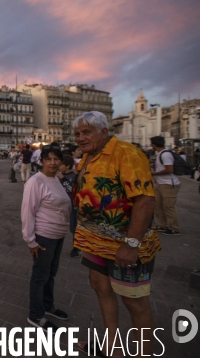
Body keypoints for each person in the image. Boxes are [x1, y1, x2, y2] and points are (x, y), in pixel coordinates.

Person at [72, 111, 159, 357]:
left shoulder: (127, 153)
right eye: (77, 133)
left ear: (104, 132)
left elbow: (144, 201)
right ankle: (113, 349)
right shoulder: (88, 157)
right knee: (100, 287)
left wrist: (131, 245)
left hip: (126, 245)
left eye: (86, 132)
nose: (80, 137)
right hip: (95, 242)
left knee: (134, 302)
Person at [21, 144, 71, 331]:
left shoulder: (57, 179)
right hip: (44, 236)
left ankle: (48, 306)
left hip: (58, 236)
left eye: (56, 159)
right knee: (40, 276)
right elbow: (28, 212)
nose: (52, 162)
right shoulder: (35, 182)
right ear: (41, 161)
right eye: (48, 159)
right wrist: (30, 240)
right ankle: (36, 315)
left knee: (51, 274)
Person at [150, 136, 180, 236]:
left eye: (152, 144)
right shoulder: (159, 154)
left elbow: (169, 169)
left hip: (168, 184)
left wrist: (155, 173)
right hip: (160, 183)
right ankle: (162, 225)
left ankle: (174, 228)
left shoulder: (165, 154)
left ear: (154, 145)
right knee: (158, 205)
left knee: (168, 207)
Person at [57, 154, 79, 257]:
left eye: (61, 164)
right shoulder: (59, 175)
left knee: (73, 228)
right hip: (62, 206)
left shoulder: (74, 177)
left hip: (73, 206)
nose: (59, 166)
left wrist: (63, 180)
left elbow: (72, 190)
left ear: (68, 166)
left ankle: (77, 248)